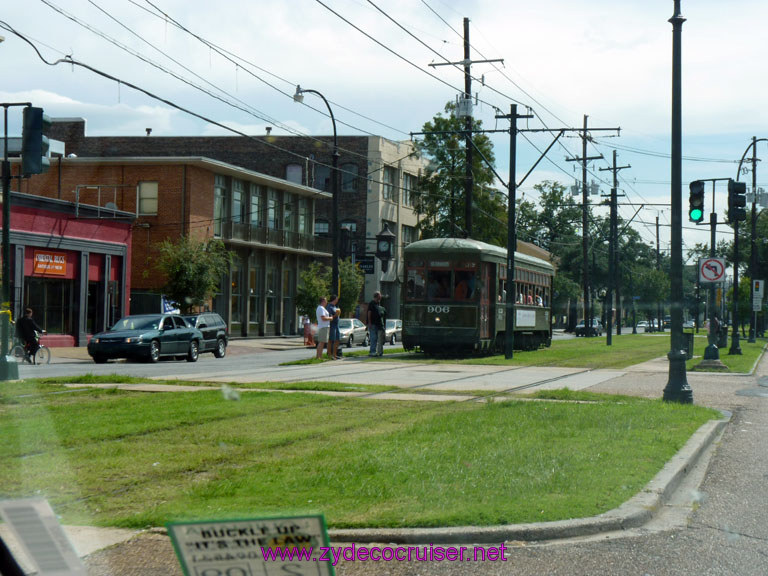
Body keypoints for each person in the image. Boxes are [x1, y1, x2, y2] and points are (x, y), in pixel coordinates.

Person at [367, 291, 386, 357]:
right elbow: (369, 313)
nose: (380, 297)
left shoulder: (378, 304)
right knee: (373, 338)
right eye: (379, 296)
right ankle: (372, 352)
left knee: (379, 339)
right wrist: (369, 323)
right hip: (373, 324)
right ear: (376, 296)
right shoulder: (372, 304)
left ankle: (377, 351)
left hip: (378, 324)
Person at [326, 294, 342, 360]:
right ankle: (329, 354)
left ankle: (335, 354)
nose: (337, 300)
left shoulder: (335, 306)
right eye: (337, 299)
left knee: (337, 339)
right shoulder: (329, 307)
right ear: (334, 299)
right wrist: (335, 315)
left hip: (336, 324)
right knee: (331, 340)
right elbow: (330, 317)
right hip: (332, 325)